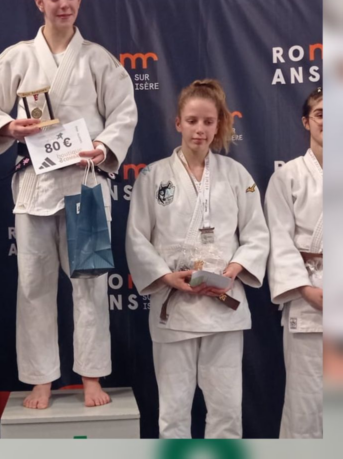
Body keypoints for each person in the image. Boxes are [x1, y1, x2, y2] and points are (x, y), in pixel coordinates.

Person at [0, 0, 138, 409]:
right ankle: (41, 378)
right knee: (34, 285)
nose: (64, 3)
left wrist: (103, 146)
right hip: (35, 187)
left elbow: (124, 113)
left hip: (86, 185)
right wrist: (10, 126)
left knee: (91, 284)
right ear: (39, 1)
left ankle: (91, 376)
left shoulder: (98, 59)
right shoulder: (18, 57)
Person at [126, 79, 270, 439]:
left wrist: (233, 270)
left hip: (223, 304)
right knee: (173, 410)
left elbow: (256, 233)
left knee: (226, 407)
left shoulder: (236, 175)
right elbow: (137, 238)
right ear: (178, 123)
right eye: (192, 121)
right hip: (174, 305)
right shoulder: (152, 176)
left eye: (208, 121)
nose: (199, 129)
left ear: (218, 125)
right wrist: (165, 277)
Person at [265, 88, 323, 438]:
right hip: (308, 299)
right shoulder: (287, 176)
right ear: (306, 122)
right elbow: (278, 239)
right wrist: (304, 288)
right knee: (306, 401)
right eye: (320, 114)